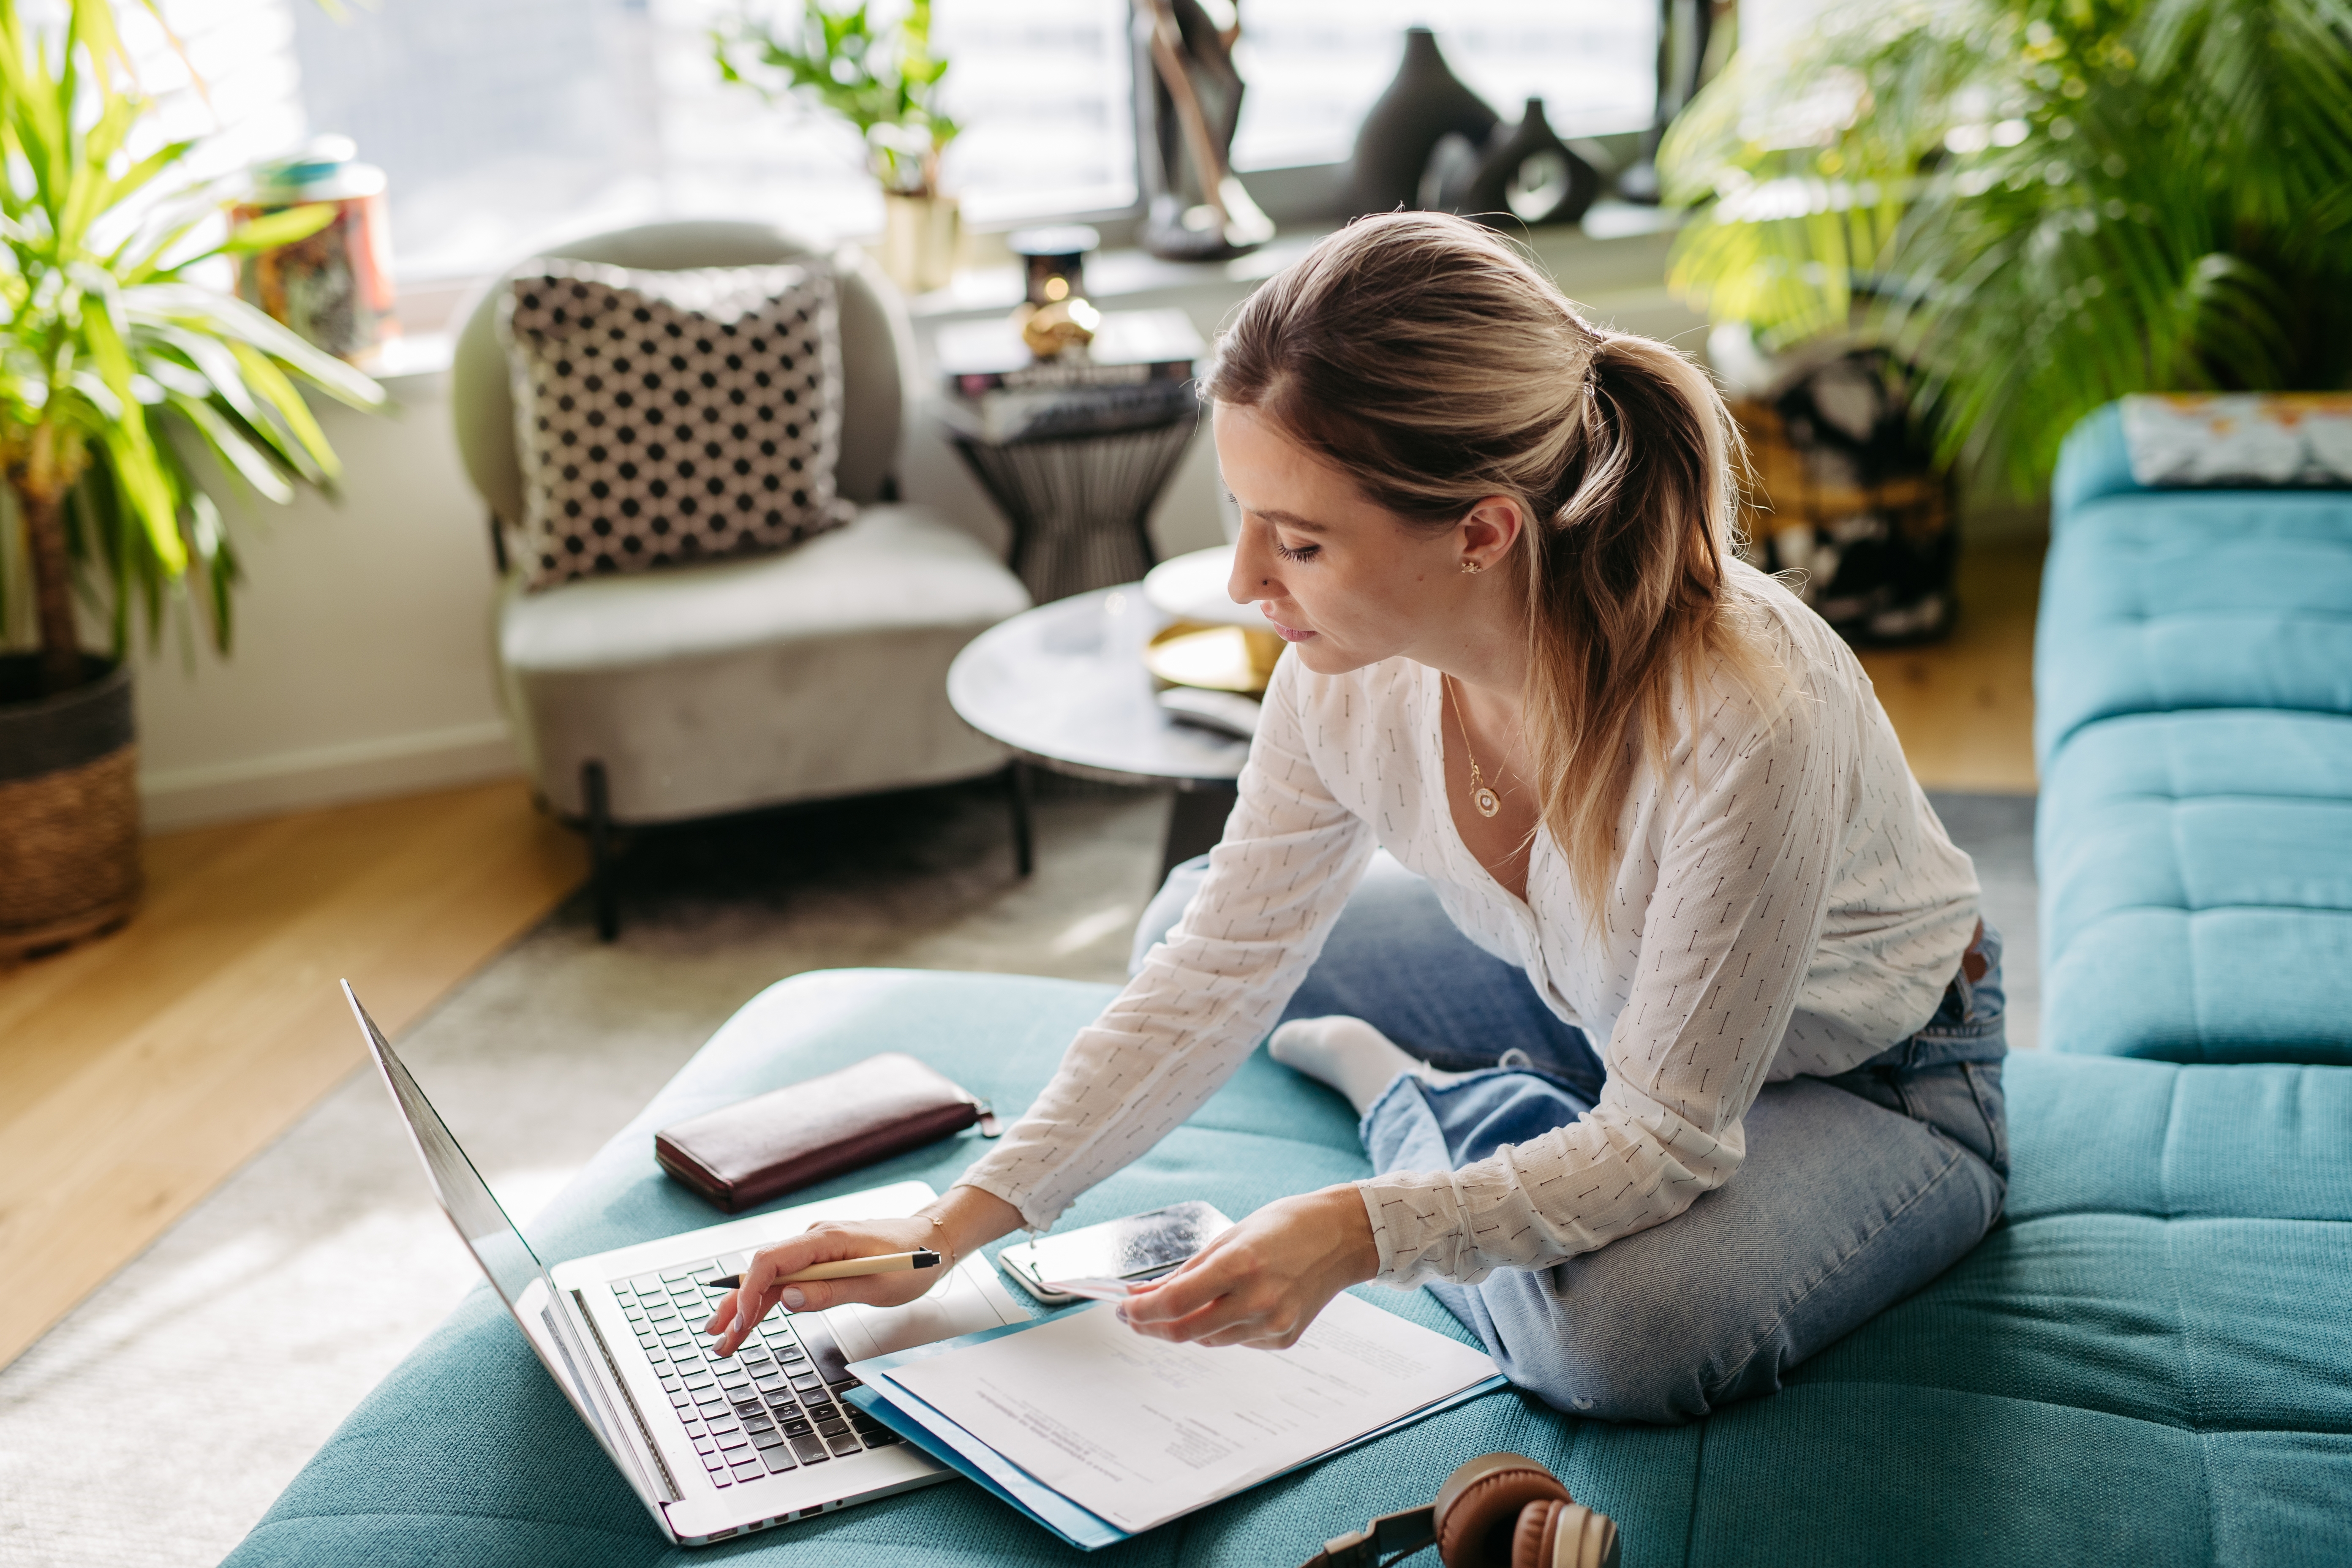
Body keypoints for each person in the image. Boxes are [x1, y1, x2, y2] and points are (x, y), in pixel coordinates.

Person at [706, 212, 2006, 1424]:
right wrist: (947, 1232)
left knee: (1619, 1340)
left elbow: (1668, 1141)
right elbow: (1217, 971)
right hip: (1591, 1010)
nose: (1244, 581)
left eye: (1300, 542)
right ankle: (1510, 1124)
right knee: (1186, 919)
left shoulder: (1743, 711)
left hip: (1875, 1080)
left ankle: (1414, 1106)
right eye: (1242, 518)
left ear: (1484, 532)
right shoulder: (1347, 678)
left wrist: (1358, 1228)